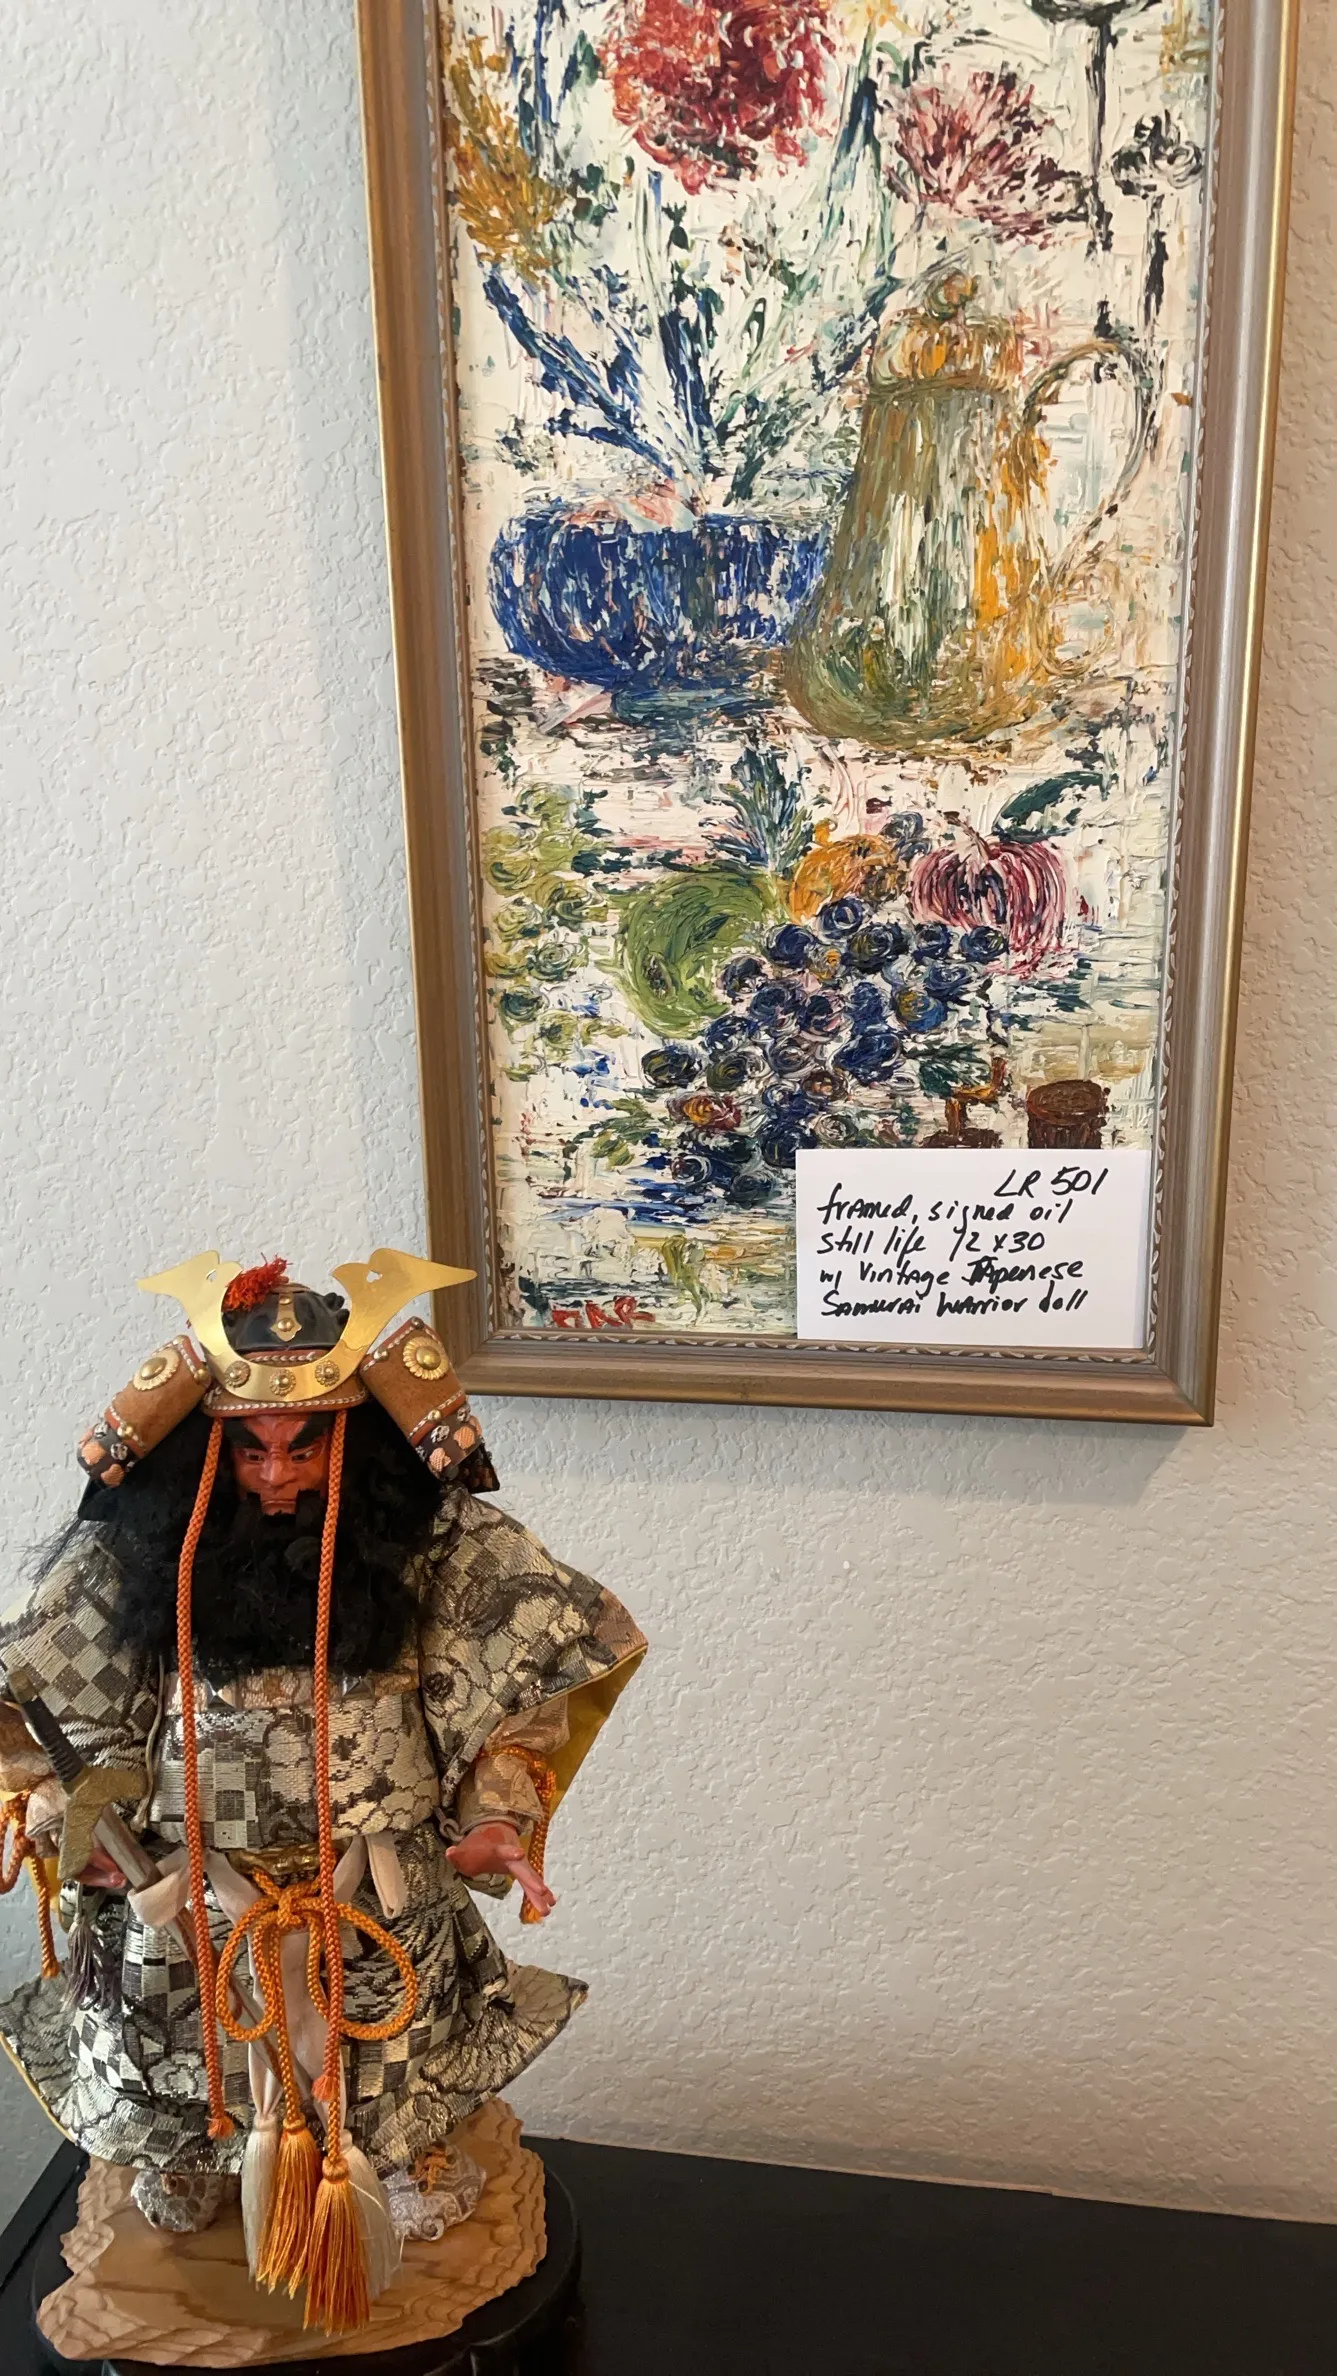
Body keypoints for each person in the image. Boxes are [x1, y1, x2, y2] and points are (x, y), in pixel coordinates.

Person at [0, 1250, 644, 2335]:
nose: (276, 1478)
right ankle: (191, 2150)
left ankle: (399, 2156)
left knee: (392, 2040)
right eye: (248, 1449)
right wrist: (65, 1818)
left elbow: (533, 1674)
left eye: (305, 1447)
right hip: (189, 1880)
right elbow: (40, 1698)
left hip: (374, 1879)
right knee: (183, 2037)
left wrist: (497, 1814)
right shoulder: (134, 1560)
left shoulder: (437, 1550)